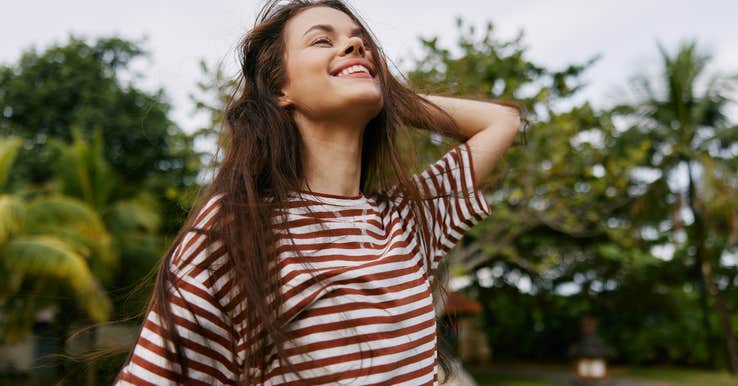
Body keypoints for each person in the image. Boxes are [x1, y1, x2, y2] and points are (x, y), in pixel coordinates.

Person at [114, 0, 525, 384]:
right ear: (280, 90)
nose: (355, 44)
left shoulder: (407, 220)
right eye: (322, 40)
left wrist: (389, 94)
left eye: (361, 41)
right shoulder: (238, 226)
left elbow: (502, 122)